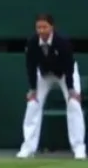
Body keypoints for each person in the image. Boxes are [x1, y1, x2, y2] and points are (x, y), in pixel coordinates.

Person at [17, 14, 85, 159]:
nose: (41, 30)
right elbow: (30, 66)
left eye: (44, 27)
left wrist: (71, 90)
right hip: (44, 74)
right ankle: (28, 148)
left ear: (51, 27)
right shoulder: (32, 42)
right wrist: (33, 89)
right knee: (33, 104)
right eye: (38, 27)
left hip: (65, 74)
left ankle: (79, 147)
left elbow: (68, 68)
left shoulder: (63, 42)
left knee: (74, 104)